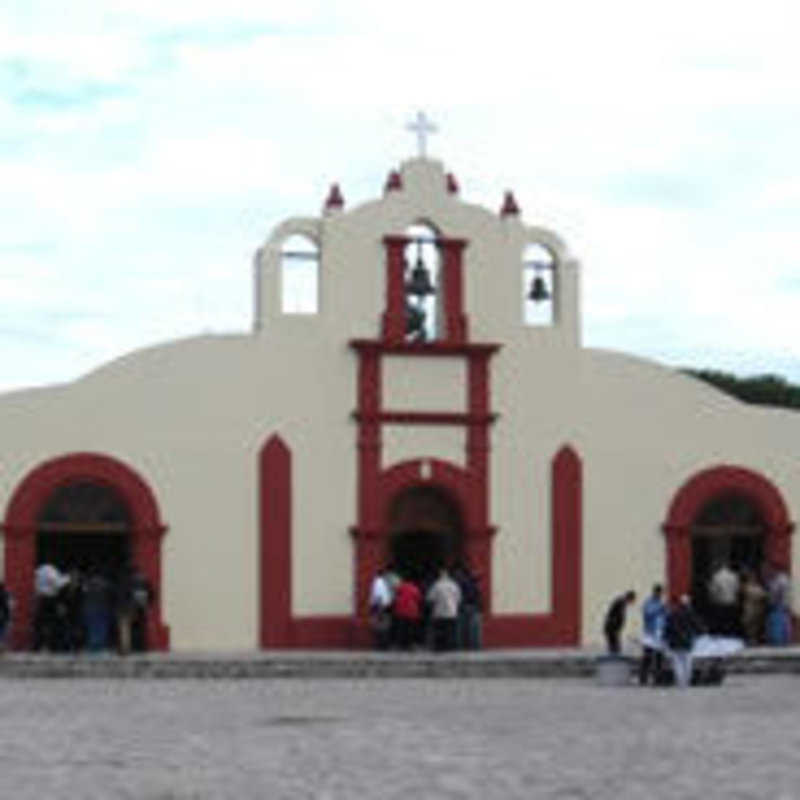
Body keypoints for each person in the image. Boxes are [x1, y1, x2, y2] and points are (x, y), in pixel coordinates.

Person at [664, 594, 705, 688]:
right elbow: (698, 626)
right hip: (687, 641)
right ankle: (686, 681)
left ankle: (679, 682)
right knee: (687, 662)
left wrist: (666, 639)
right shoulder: (691, 614)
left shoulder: (673, 614)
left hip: (675, 642)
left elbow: (667, 628)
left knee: (677, 663)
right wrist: (702, 632)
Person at [426, 568, 461, 652]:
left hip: (439, 612)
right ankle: (451, 647)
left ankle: (441, 647)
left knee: (440, 631)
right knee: (451, 631)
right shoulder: (454, 585)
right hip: (452, 612)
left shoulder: (436, 585)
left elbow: (430, 598)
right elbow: (459, 598)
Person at [639, 584, 667, 685]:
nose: (660, 595)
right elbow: (647, 613)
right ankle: (643, 678)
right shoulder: (648, 602)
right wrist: (659, 609)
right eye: (659, 593)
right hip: (649, 634)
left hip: (660, 634)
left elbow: (665, 616)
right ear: (654, 592)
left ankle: (658, 679)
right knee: (647, 657)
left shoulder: (662, 603)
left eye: (661, 593)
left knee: (659, 657)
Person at [453, 563, 483, 650]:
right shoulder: (473, 583)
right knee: (473, 629)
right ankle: (474, 646)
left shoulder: (460, 582)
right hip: (473, 606)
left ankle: (463, 646)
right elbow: (477, 595)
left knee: (462, 628)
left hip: (465, 606)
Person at [708, 561, 740, 635]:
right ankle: (729, 632)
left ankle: (721, 633)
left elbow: (713, 591)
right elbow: (737, 589)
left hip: (720, 602)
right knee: (729, 620)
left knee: (720, 620)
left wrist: (712, 599)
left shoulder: (716, 576)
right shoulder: (734, 576)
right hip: (732, 601)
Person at [392, 576, 423, 650]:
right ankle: (410, 644)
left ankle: (401, 644)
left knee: (401, 629)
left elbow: (395, 596)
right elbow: (419, 599)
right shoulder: (415, 589)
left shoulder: (400, 587)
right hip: (412, 611)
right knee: (411, 629)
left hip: (401, 611)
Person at [603, 590, 636, 654]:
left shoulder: (621, 602)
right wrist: (617, 628)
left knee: (615, 647)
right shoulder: (621, 603)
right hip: (611, 628)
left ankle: (613, 655)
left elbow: (618, 616)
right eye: (632, 600)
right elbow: (618, 617)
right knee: (615, 648)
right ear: (630, 598)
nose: (632, 602)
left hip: (612, 628)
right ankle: (613, 659)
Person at [766, 564, 792, 646]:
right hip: (782, 604)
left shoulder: (780, 580)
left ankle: (779, 640)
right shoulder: (783, 579)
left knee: (778, 623)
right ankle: (783, 640)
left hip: (779, 605)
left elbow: (778, 592)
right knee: (783, 622)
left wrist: (773, 599)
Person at [368, 567, 394, 650]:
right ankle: (383, 645)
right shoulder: (380, 583)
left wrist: (380, 609)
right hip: (382, 607)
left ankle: (382, 645)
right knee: (382, 628)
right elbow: (380, 596)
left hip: (380, 607)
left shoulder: (379, 583)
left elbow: (379, 596)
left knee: (381, 627)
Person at [740, 569, 767, 645]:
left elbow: (763, 595)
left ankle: (753, 639)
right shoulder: (747, 587)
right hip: (750, 608)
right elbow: (762, 595)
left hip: (755, 608)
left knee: (754, 625)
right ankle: (750, 639)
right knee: (749, 625)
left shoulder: (752, 587)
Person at [0, 582, 11, 652]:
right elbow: (6, 607)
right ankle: (1, 645)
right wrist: (8, 617)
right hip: (2, 616)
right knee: (2, 631)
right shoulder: (4, 595)